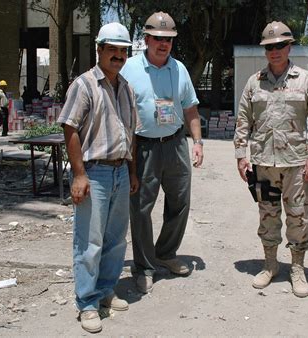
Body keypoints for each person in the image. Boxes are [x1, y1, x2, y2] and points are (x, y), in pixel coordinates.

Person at [57, 22, 138, 333]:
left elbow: (131, 134)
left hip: (120, 170)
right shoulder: (84, 85)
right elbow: (70, 128)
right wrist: (79, 174)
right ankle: (87, 303)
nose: (118, 55)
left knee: (115, 240)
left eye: (122, 51)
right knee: (89, 241)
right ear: (100, 50)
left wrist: (132, 171)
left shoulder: (126, 88)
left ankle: (106, 291)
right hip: (95, 172)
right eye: (112, 49)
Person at [233, 21, 308, 297]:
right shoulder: (254, 82)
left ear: (289, 46)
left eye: (280, 45)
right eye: (269, 47)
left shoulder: (306, 79)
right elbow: (243, 120)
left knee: (298, 218)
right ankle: (270, 265)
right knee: (268, 216)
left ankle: (297, 268)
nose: (275, 51)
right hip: (263, 164)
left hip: (297, 164)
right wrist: (240, 154)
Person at [121, 12, 203, 294]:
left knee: (180, 201)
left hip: (175, 143)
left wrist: (198, 142)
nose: (163, 44)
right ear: (146, 39)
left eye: (168, 39)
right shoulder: (128, 68)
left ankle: (166, 253)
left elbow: (190, 107)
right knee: (141, 208)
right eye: (158, 38)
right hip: (141, 147)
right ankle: (144, 266)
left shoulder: (179, 69)